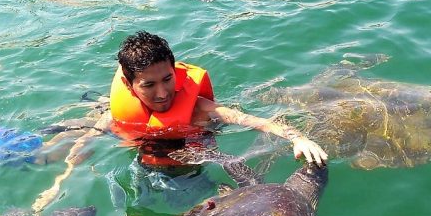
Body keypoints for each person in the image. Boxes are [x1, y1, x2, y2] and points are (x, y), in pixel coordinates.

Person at [108, 31, 328, 168]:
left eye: (168, 79)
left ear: (175, 72)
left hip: (191, 169)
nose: (163, 93)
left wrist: (298, 138)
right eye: (149, 85)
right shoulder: (118, 113)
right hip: (144, 163)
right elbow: (93, 133)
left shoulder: (201, 109)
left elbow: (254, 121)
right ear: (129, 85)